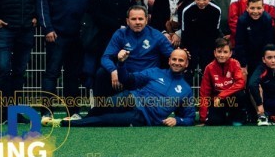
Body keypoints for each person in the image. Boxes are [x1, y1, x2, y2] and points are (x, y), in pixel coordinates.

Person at [60, 49, 195, 127]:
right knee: (102, 106)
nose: (177, 63)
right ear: (169, 60)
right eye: (174, 59)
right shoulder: (155, 72)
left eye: (181, 60)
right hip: (130, 98)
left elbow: (189, 118)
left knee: (105, 120)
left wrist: (177, 120)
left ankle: (72, 124)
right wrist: (121, 64)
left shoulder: (186, 90)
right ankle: (80, 118)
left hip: (142, 117)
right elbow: (127, 79)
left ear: (186, 64)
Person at [38, 0, 92, 117]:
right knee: (51, 74)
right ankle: (46, 112)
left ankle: (73, 111)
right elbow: (42, 3)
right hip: (57, 34)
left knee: (73, 75)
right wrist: (48, 28)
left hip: (78, 36)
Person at [96, 6, 175, 98]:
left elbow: (172, 56)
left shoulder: (156, 35)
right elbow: (105, 57)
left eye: (140, 19)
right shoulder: (120, 34)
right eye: (133, 19)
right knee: (101, 73)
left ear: (146, 20)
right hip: (126, 77)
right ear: (127, 21)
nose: (137, 22)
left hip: (147, 78)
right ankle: (99, 108)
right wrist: (113, 70)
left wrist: (183, 55)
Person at [82, 0, 132, 96]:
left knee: (121, 68)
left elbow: (129, 10)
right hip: (101, 36)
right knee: (102, 70)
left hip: (122, 36)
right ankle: (99, 103)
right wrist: (117, 25)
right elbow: (95, 13)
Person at [179, 0, 227, 75]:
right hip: (192, 41)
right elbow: (185, 33)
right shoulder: (187, 10)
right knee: (189, 66)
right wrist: (185, 50)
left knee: (207, 66)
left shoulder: (216, 10)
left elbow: (215, 32)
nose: (201, 2)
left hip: (208, 42)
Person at [200, 38, 250, 126]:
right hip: (217, 101)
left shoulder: (235, 63)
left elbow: (240, 83)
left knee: (240, 94)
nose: (222, 55)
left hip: (231, 98)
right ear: (215, 53)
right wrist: (203, 118)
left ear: (230, 53)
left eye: (225, 52)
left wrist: (221, 96)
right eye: (219, 52)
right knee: (214, 122)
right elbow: (204, 92)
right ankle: (222, 117)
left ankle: (237, 115)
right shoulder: (209, 68)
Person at [233, 0, 275, 70]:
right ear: (247, 8)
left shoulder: (267, 19)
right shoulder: (242, 20)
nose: (255, 11)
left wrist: (266, 61)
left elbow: (268, 42)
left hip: (262, 57)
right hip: (247, 56)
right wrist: (243, 64)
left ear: (263, 8)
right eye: (252, 8)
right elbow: (239, 44)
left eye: (259, 8)